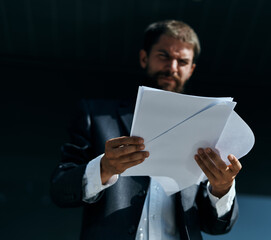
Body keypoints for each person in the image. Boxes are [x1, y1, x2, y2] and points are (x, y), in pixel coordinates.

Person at [50, 19, 242, 240]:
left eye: (182, 61)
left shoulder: (209, 128)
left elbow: (217, 227)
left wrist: (221, 189)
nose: (172, 68)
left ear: (191, 70)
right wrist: (104, 167)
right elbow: (60, 190)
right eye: (164, 56)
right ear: (144, 58)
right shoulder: (97, 116)